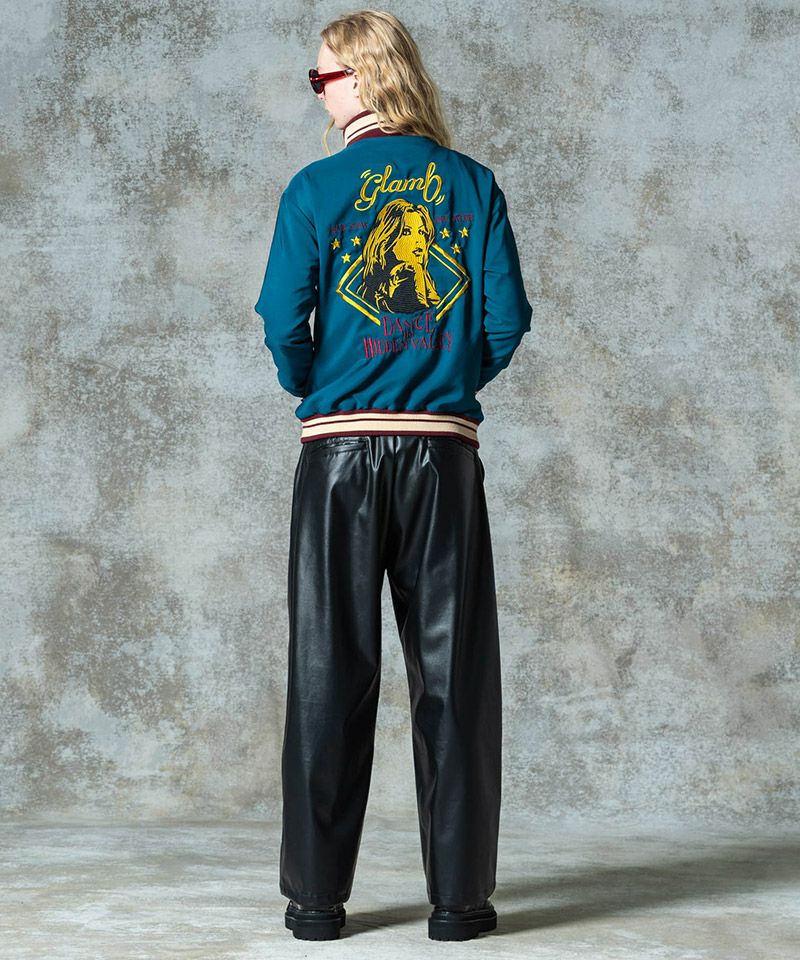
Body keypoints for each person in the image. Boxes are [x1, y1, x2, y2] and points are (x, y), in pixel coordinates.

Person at [254, 9, 533, 943]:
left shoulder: (317, 189)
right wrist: (444, 382)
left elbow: (281, 318)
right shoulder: (472, 183)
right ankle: (461, 906)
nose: (317, 94)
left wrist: (324, 386)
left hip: (338, 456)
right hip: (442, 457)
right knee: (456, 679)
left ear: (365, 77)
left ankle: (315, 907)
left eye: (321, 78)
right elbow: (506, 320)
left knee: (327, 673)